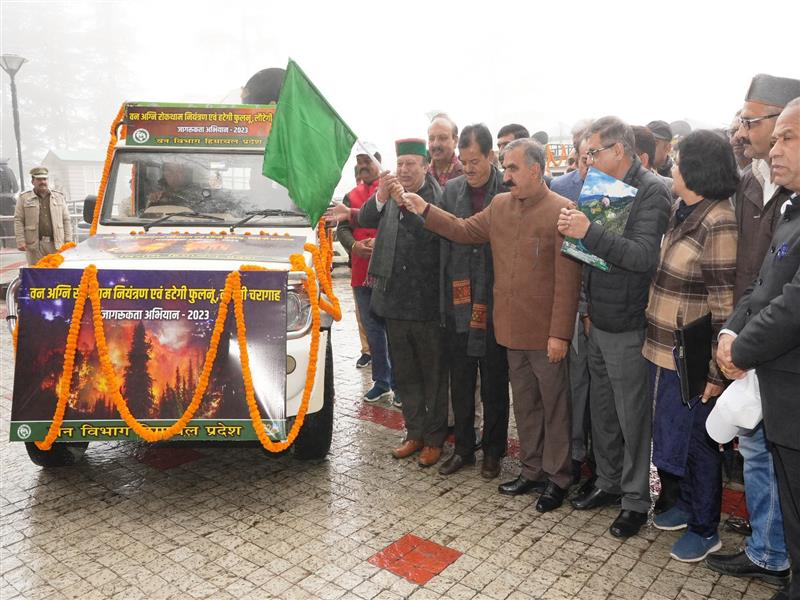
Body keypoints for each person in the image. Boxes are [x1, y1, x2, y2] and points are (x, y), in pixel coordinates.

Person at [401, 138, 582, 513]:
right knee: (527, 408)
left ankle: (558, 478)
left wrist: (560, 334)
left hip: (546, 335)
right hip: (510, 331)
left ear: (535, 169)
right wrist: (426, 210)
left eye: (512, 168)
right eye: (505, 166)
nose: (507, 175)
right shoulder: (500, 206)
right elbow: (464, 229)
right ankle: (532, 471)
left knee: (555, 408)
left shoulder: (562, 211)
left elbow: (568, 282)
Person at [706, 74, 800, 589]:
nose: (743, 129)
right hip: (750, 335)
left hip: (776, 354)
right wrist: (730, 333)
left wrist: (742, 344)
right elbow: (760, 277)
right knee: (759, 453)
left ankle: (775, 552)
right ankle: (768, 550)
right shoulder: (752, 182)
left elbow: (791, 300)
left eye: (754, 120)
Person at [558, 116, 672, 538]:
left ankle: (636, 499)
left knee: (631, 416)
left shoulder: (652, 190)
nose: (586, 161)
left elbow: (643, 256)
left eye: (593, 152)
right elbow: (589, 257)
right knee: (602, 411)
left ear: (618, 151)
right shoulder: (602, 186)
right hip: (598, 318)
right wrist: (577, 236)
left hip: (629, 321)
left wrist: (588, 232)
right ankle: (607, 481)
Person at [643, 130, 739, 562]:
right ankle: (683, 505)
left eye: (678, 161)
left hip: (696, 358)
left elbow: (724, 304)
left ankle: (705, 528)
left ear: (697, 169)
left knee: (701, 443)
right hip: (667, 349)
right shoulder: (683, 209)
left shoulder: (719, 220)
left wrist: (717, 374)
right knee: (673, 436)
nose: (673, 168)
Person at [354, 139, 447, 467]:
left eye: (412, 164)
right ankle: (414, 432)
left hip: (426, 304)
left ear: (425, 166)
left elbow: (428, 236)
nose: (405, 170)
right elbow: (365, 216)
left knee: (432, 375)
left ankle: (435, 439)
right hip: (393, 301)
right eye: (401, 163)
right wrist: (382, 195)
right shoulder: (391, 191)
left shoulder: (434, 195)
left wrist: (405, 205)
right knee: (405, 375)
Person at [433, 124, 510, 480]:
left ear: (491, 157)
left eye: (475, 161)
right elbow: (444, 246)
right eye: (463, 161)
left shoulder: (507, 191)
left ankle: (493, 452)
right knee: (460, 383)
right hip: (459, 302)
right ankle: (464, 447)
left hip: (497, 302)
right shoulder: (451, 191)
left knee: (495, 384)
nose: (469, 168)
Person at [337, 145, 398, 403]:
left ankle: (400, 384)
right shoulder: (351, 196)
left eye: (367, 161)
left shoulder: (392, 190)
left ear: (378, 162)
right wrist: (354, 246)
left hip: (388, 273)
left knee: (393, 330)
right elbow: (342, 229)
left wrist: (379, 243)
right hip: (361, 273)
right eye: (359, 161)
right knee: (372, 331)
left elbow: (395, 223)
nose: (363, 166)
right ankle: (382, 381)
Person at [550, 134, 593, 486]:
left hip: (610, 310)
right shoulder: (561, 190)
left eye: (594, 154)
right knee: (576, 386)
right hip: (573, 306)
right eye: (583, 156)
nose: (588, 163)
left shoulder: (619, 194)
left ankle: (601, 458)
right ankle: (576, 454)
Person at [14, 167, 73, 265]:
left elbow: (66, 220)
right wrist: (20, 241)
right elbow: (18, 220)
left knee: (57, 273)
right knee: (36, 273)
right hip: (35, 245)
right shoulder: (24, 198)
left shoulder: (59, 197)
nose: (42, 182)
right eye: (39, 179)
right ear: (33, 181)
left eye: (44, 179)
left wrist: (68, 241)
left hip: (56, 244)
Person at [428, 116, 463, 187]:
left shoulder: (466, 175)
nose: (436, 144)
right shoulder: (422, 175)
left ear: (455, 141)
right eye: (431, 138)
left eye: (442, 138)